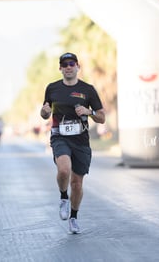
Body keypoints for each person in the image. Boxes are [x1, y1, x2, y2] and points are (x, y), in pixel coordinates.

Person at [40, 52, 105, 234]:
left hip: (81, 140)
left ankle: (74, 217)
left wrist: (88, 111)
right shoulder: (52, 88)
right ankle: (63, 197)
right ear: (60, 68)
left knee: (76, 183)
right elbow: (45, 113)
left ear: (77, 67)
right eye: (64, 64)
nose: (68, 67)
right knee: (64, 170)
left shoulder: (88, 90)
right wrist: (44, 111)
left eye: (71, 63)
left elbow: (102, 117)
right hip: (60, 137)